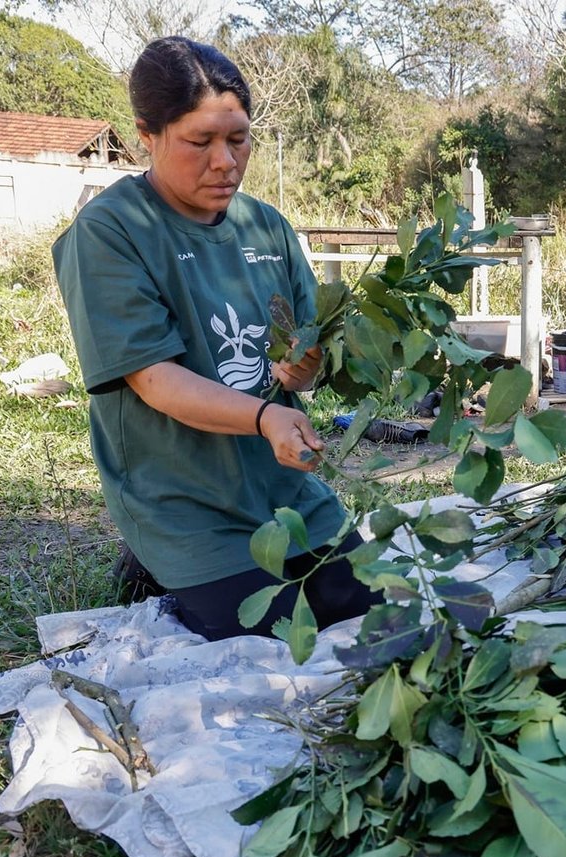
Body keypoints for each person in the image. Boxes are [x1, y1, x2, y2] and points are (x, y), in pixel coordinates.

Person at [52, 36, 379, 641]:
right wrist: (265, 419)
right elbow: (154, 379)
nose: (225, 161)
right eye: (200, 142)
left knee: (368, 609)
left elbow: (303, 341)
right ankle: (154, 563)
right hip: (184, 498)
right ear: (147, 135)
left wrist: (308, 365)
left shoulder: (265, 225)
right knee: (270, 635)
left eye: (238, 139)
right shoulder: (110, 232)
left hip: (280, 483)